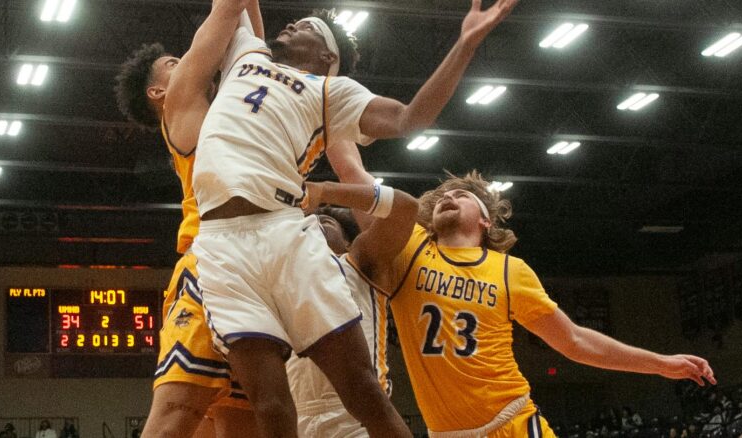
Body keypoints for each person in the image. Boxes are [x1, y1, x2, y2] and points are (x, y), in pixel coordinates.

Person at [188, 0, 519, 436]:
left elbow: (408, 118)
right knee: (269, 405)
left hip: (281, 229)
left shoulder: (331, 91)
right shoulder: (246, 53)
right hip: (219, 244)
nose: (290, 24)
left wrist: (466, 43)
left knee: (362, 391)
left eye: (305, 25)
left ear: (328, 58)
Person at [380, 171, 716, 437]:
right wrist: (333, 112)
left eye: (461, 195)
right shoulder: (411, 248)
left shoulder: (511, 271)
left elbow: (574, 340)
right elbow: (360, 184)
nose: (449, 197)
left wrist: (659, 363)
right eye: (443, 196)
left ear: (486, 221)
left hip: (513, 424)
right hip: (445, 433)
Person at [113, 0, 264, 436]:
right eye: (174, 62)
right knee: (176, 415)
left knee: (241, 423)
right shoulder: (181, 103)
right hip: (212, 260)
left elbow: (256, 49)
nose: (190, 57)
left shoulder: (235, 106)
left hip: (260, 261)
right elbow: (227, 11)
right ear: (158, 93)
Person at [286, 172, 419, 437]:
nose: (313, 223)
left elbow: (406, 208)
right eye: (306, 223)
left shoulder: (359, 262)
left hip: (356, 415)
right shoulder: (282, 279)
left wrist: (324, 191)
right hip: (295, 416)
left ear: (348, 241)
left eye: (325, 222)